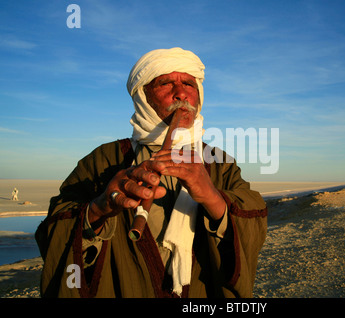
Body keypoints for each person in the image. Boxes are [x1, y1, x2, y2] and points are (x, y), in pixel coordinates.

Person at [35, 47, 267, 298]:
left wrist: (211, 196)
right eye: (165, 83)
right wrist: (99, 208)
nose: (181, 93)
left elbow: (254, 217)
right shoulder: (104, 159)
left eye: (189, 84)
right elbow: (54, 228)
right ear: (143, 97)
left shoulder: (219, 161)